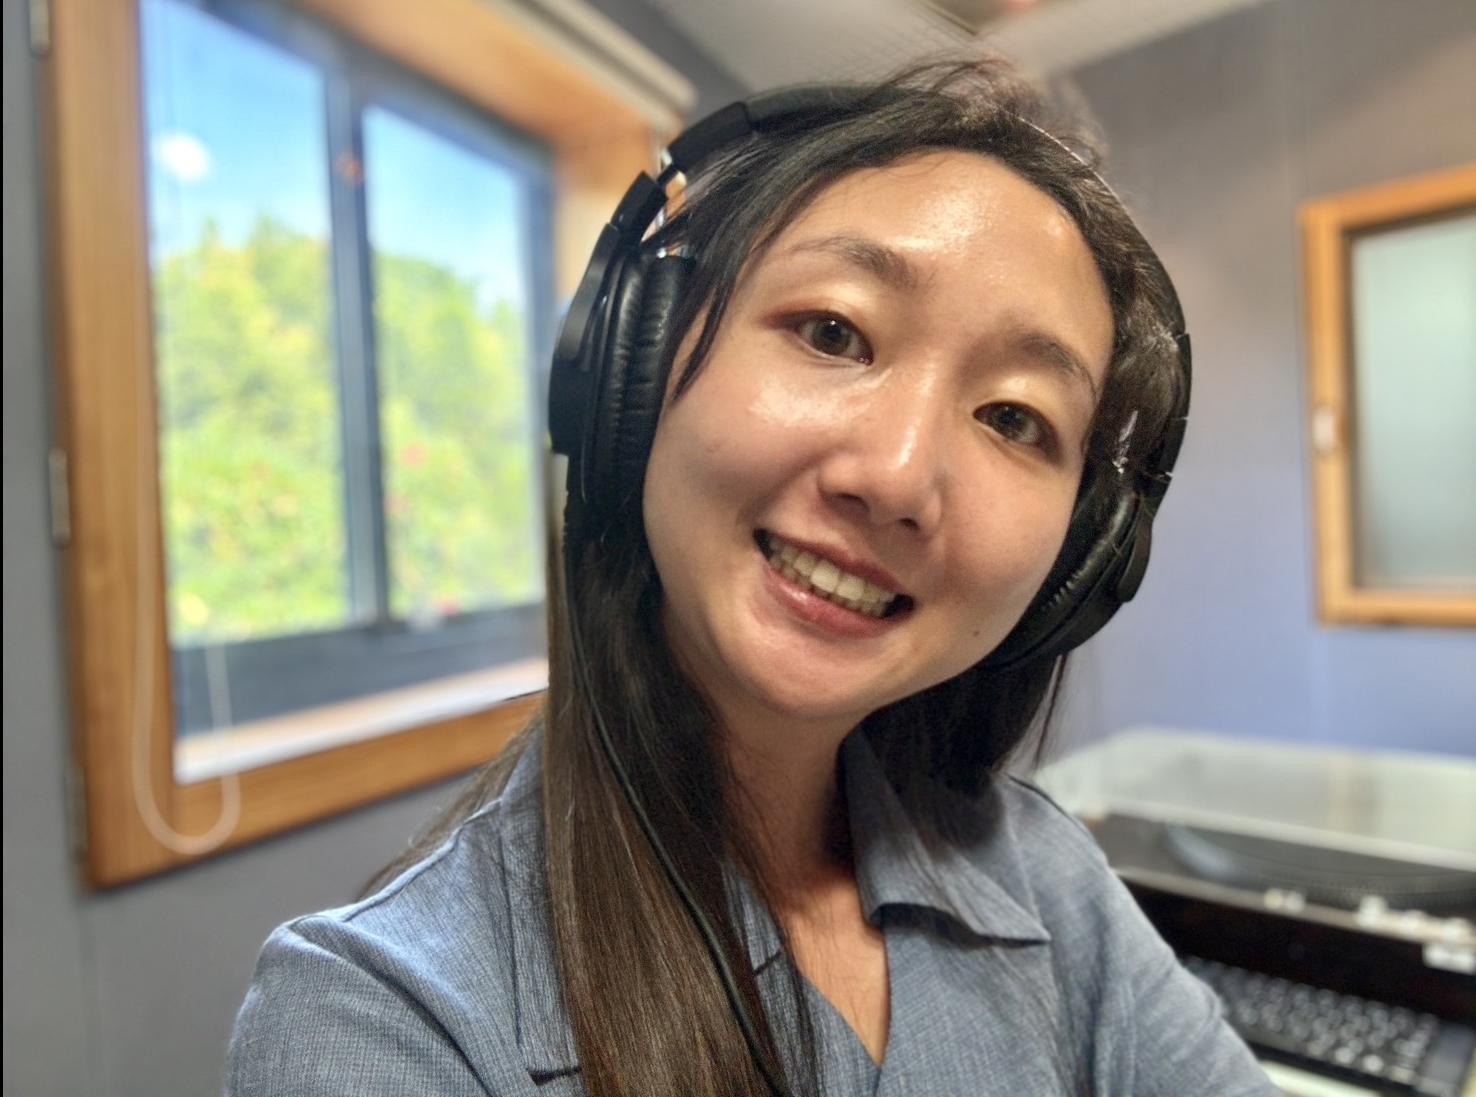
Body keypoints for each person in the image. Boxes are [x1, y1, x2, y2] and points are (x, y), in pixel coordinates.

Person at [226, 59, 1276, 1097]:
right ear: (634, 366)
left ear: (1082, 557)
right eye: (834, 332)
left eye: (1013, 417)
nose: (898, 475)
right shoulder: (374, 1015)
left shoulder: (1047, 877)